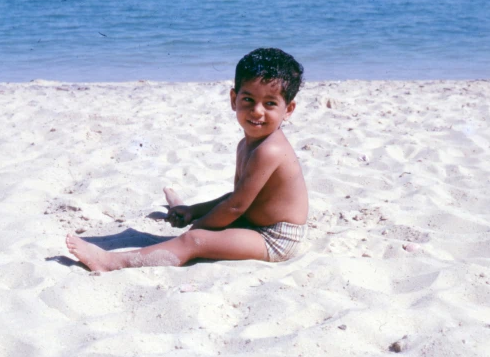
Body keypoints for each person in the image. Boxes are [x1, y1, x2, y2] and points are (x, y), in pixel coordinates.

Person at [65, 48, 309, 272]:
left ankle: (111, 262)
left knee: (194, 241)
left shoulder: (270, 150)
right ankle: (184, 213)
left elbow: (236, 207)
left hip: (275, 238)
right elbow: (236, 198)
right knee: (205, 226)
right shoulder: (247, 144)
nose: (257, 111)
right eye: (248, 100)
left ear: (288, 109)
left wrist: (199, 226)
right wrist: (194, 211)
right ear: (233, 99)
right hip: (251, 221)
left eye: (269, 103)